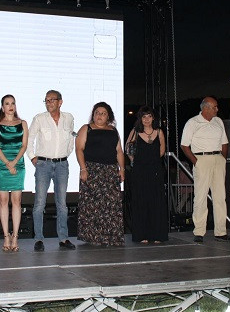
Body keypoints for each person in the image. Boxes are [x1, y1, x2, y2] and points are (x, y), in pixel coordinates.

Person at [27, 90, 76, 251]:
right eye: (46, 100)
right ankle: (38, 239)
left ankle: (63, 238)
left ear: (60, 102)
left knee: (62, 204)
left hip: (62, 165)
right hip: (44, 164)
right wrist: (33, 158)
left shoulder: (68, 118)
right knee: (40, 203)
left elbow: (71, 138)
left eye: (52, 100)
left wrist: (66, 154)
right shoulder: (39, 118)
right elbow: (29, 139)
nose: (48, 103)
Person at [180, 97, 230, 243]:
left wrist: (222, 158)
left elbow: (224, 142)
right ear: (206, 108)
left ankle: (221, 232)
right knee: (201, 196)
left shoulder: (218, 121)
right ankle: (199, 232)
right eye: (214, 107)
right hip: (201, 159)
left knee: (220, 197)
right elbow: (184, 145)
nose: (217, 109)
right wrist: (196, 162)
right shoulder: (193, 122)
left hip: (218, 159)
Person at [75, 102, 126, 246]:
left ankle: (111, 237)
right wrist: (83, 169)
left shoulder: (113, 130)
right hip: (92, 171)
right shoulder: (86, 129)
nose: (99, 116)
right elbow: (79, 149)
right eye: (97, 112)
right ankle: (93, 237)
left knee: (111, 205)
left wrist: (122, 169)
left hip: (110, 172)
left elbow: (119, 151)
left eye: (103, 113)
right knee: (92, 205)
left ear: (108, 116)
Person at [125, 106, 168, 243]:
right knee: (141, 201)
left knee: (156, 201)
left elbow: (162, 150)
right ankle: (141, 235)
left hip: (155, 170)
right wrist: (134, 161)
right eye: (144, 116)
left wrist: (152, 161)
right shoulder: (135, 132)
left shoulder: (159, 132)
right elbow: (127, 148)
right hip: (139, 171)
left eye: (149, 116)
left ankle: (157, 235)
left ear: (153, 118)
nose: (147, 119)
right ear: (140, 118)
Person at [0, 94, 28, 252]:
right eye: (7, 103)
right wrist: (8, 163)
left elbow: (24, 146)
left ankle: (15, 237)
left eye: (13, 103)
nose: (10, 106)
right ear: (2, 107)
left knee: (17, 201)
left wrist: (14, 163)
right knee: (3, 201)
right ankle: (6, 236)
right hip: (2, 164)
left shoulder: (23, 123)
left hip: (18, 164)